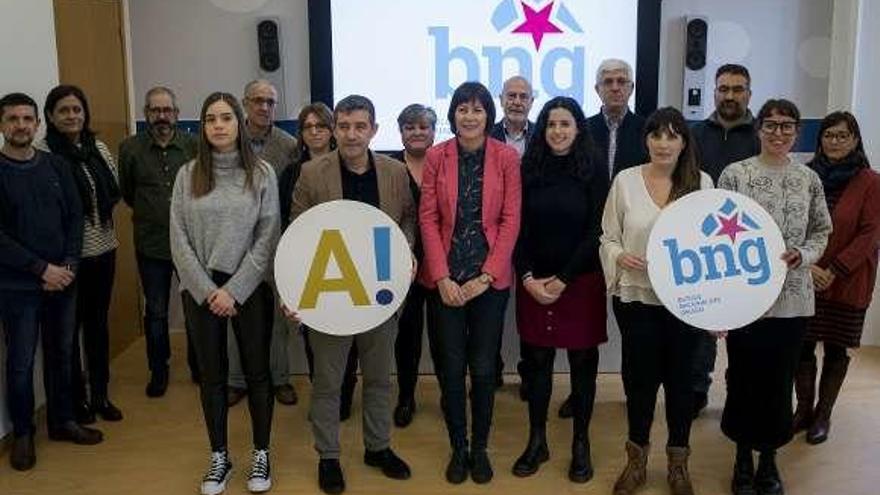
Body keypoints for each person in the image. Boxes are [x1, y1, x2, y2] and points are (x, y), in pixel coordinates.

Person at [290, 95, 414, 494]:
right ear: (334, 129)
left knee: (379, 378)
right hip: (330, 296)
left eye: (360, 126)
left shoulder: (395, 172)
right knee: (328, 382)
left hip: (379, 295)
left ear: (374, 130)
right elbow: (297, 235)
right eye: (343, 126)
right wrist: (294, 291)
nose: (351, 134)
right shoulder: (312, 174)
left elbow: (407, 218)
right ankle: (328, 456)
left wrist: (407, 252)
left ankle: (378, 447)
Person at [718, 99, 832, 495]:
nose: (778, 132)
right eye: (771, 124)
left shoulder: (809, 179)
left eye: (786, 126)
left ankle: (768, 459)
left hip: (792, 301)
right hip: (745, 302)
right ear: (759, 129)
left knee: (779, 382)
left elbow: (821, 231)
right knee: (743, 379)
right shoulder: (736, 175)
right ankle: (741, 458)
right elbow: (715, 236)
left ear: (797, 131)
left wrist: (805, 255)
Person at [170, 92, 279, 495]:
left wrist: (234, 289)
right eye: (210, 119)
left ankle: (261, 452)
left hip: (248, 288)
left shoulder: (262, 173)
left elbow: (268, 235)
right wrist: (207, 290)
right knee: (212, 377)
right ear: (202, 126)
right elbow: (178, 237)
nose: (218, 125)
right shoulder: (188, 174)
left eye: (226, 118)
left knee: (257, 373)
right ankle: (219, 456)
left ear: (239, 123)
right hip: (201, 289)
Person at [600, 107, 712, 495]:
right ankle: (637, 462)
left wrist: (720, 306)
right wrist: (619, 256)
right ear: (645, 140)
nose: (663, 143)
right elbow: (608, 237)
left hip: (686, 303)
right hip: (637, 299)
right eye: (656, 135)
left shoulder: (702, 183)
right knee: (640, 383)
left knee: (682, 384)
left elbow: (713, 247)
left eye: (672, 135)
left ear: (684, 142)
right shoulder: (625, 181)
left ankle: (678, 464)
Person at [420, 81, 521, 485]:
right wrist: (441, 276)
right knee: (450, 368)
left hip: (487, 282)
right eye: (463, 109)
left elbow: (510, 220)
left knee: (481, 368)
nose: (470, 116)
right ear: (453, 115)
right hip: (445, 279)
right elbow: (428, 218)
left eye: (478, 109)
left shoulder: (506, 157)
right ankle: (458, 446)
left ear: (488, 115)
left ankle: (480, 448)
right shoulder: (436, 156)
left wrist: (487, 275)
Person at [1, 92, 102, 471]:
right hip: (17, 287)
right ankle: (23, 434)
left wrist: (69, 264)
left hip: (64, 280)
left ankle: (63, 422)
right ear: (1, 125)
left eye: (27, 119)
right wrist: (41, 269)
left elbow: (75, 217)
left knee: (63, 354)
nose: (21, 125)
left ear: (38, 124)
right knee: (21, 362)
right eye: (13, 119)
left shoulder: (56, 166)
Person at [511, 97, 608, 483]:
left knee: (583, 365)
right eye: (551, 124)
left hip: (580, 281)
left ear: (578, 128)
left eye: (565, 124)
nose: (557, 131)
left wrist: (564, 278)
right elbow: (516, 226)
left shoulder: (593, 166)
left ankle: (581, 443)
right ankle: (537, 441)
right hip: (534, 283)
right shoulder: (529, 167)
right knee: (537, 364)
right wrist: (527, 277)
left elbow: (597, 229)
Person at [556, 58, 647, 419]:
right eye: (607, 81)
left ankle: (635, 394)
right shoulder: (581, 129)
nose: (615, 87)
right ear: (596, 89)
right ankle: (580, 393)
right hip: (586, 239)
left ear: (631, 88)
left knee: (633, 327)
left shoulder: (646, 130)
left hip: (630, 243)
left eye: (622, 81)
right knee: (582, 327)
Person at [796, 112, 880, 445]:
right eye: (829, 135)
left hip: (848, 280)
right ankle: (803, 410)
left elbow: (871, 233)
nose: (834, 141)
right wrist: (809, 267)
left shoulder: (870, 181)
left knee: (835, 349)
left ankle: (823, 414)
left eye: (842, 135)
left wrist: (834, 270)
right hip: (807, 275)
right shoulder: (805, 175)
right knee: (802, 346)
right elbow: (795, 225)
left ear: (855, 140)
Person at [42, 85, 123, 425]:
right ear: (50, 116)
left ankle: (100, 395)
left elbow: (115, 189)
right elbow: (49, 209)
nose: (72, 116)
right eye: (64, 110)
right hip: (67, 259)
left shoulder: (97, 148)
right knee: (67, 334)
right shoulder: (44, 152)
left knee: (97, 326)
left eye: (77, 109)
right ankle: (77, 402)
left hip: (103, 249)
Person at [118, 86, 200, 397]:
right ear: (146, 113)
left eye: (167, 110)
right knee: (156, 312)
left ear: (176, 114)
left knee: (195, 308)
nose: (161, 116)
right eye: (155, 110)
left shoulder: (193, 146)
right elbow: (128, 192)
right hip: (150, 245)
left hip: (190, 244)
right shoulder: (130, 148)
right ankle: (158, 370)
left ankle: (199, 366)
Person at [689, 64, 760, 417]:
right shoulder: (695, 134)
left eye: (737, 89)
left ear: (749, 93)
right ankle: (697, 390)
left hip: (748, 245)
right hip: (703, 244)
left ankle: (739, 392)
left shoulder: (762, 135)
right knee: (703, 321)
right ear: (714, 92)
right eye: (723, 89)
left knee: (745, 325)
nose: (730, 95)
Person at [281, 102, 359, 421]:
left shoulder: (351, 167)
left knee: (350, 334)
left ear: (332, 130)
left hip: (349, 265)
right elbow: (286, 224)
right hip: (311, 266)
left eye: (321, 126)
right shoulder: (291, 173)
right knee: (315, 336)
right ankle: (323, 395)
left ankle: (345, 395)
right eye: (307, 127)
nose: (314, 132)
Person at [226, 79, 299, 408]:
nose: (264, 107)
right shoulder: (227, 139)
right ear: (244, 103)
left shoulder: (288, 145)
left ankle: (279, 378)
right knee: (234, 311)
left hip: (275, 241)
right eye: (257, 100)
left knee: (278, 316)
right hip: (234, 242)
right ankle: (237, 380)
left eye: (270, 102)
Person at [388, 103, 440, 428]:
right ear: (401, 132)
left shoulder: (446, 162)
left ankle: (449, 395)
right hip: (401, 264)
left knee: (443, 337)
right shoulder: (389, 167)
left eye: (423, 126)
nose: (417, 132)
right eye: (410, 127)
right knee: (406, 336)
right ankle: (406, 397)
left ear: (434, 131)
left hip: (441, 265)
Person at [489, 75, 535, 157]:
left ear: (531, 102)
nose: (517, 102)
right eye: (511, 96)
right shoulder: (488, 135)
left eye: (523, 97)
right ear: (501, 100)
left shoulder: (541, 134)